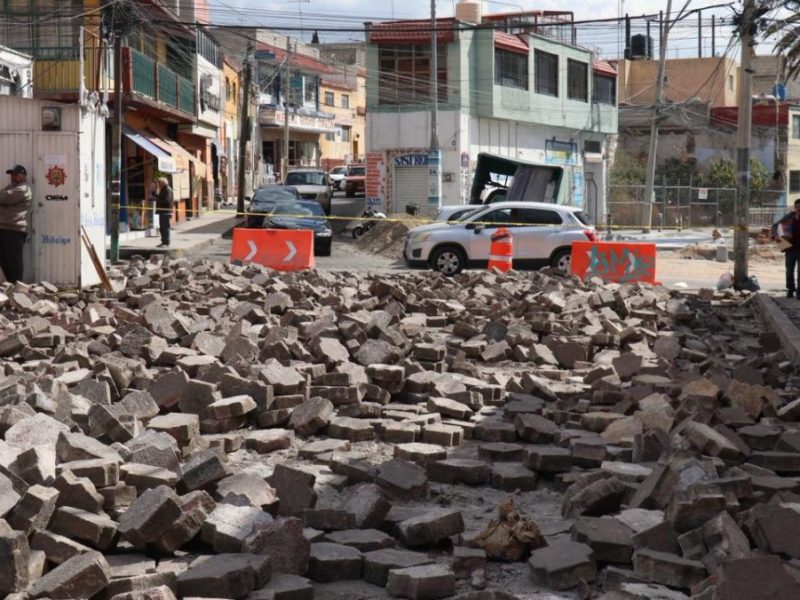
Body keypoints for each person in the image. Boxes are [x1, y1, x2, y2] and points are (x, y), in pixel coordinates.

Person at [0, 165, 32, 283]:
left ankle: (18, 288)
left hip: (14, 230)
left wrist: (4, 198)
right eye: (12, 174)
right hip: (3, 228)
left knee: (14, 261)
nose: (13, 177)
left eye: (16, 174)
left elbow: (5, 198)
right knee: (4, 260)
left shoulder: (23, 189)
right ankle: (11, 286)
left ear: (23, 175)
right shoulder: (11, 187)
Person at [773, 198, 800, 297]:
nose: (799, 209)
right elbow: (776, 226)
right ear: (795, 208)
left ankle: (799, 292)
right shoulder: (789, 218)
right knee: (789, 271)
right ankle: (791, 289)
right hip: (790, 250)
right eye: (797, 207)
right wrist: (777, 236)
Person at [151, 177, 174, 248]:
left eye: (159, 184)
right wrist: (154, 194)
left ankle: (166, 242)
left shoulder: (168, 190)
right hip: (162, 211)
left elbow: (166, 201)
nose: (158, 185)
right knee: (162, 228)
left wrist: (158, 199)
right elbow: (161, 197)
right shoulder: (163, 190)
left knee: (165, 227)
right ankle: (163, 241)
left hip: (166, 212)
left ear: (163, 183)